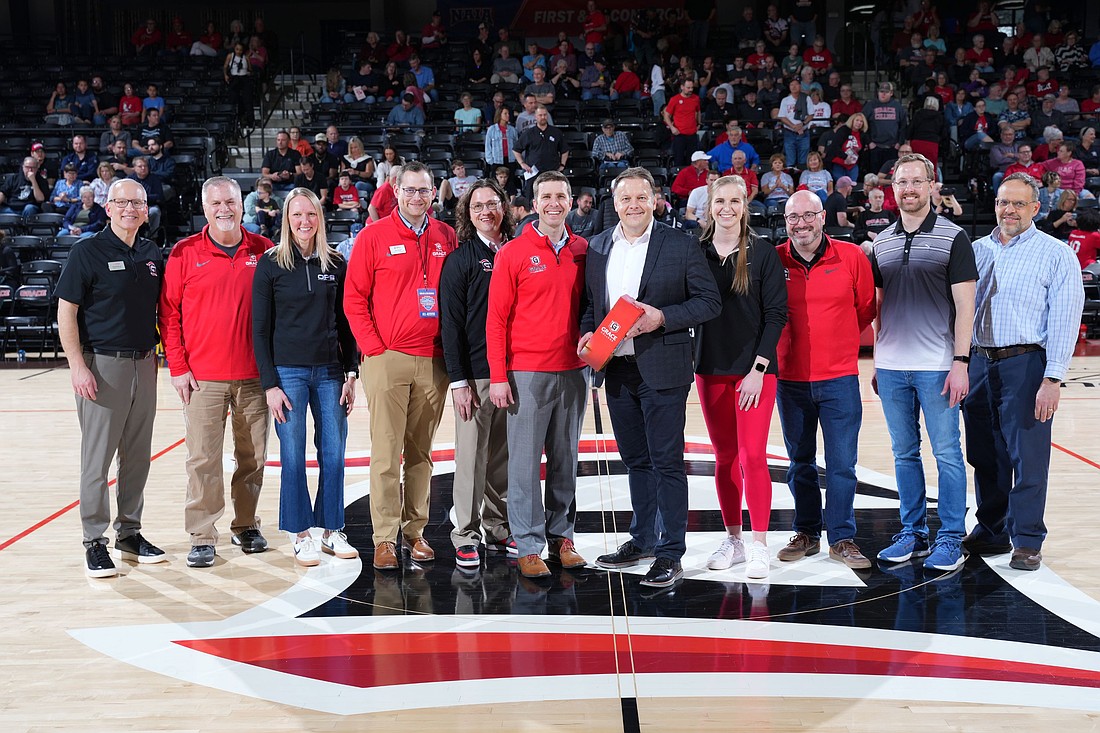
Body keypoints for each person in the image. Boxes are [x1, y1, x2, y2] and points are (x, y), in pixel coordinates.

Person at [583, 167, 721, 587]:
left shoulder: (680, 244)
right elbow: (592, 305)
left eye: (642, 197)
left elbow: (709, 302)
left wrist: (663, 318)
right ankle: (641, 538)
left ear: (656, 200)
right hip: (618, 369)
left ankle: (670, 552)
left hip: (664, 368)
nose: (634, 205)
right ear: (614, 202)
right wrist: (587, 333)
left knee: (666, 462)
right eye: (626, 199)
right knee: (636, 461)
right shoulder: (597, 247)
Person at [963, 172, 1085, 571]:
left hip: (1026, 363)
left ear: (1036, 208)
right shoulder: (976, 250)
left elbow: (1065, 319)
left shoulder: (1056, 253)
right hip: (979, 361)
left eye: (1017, 203)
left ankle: (1028, 538)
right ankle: (993, 529)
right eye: (1002, 202)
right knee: (984, 454)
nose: (1008, 210)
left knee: (1027, 457)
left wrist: (1053, 379)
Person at [343, 162, 458, 571]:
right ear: (395, 190)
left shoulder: (447, 236)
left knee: (422, 454)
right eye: (408, 190)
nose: (416, 197)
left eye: (423, 190)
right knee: (386, 453)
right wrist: (375, 349)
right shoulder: (373, 236)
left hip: (434, 361)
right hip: (387, 359)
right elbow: (354, 299)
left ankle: (416, 532)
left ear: (433, 193)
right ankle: (384, 538)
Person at [159, 176, 273, 569]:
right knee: (203, 459)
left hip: (256, 376)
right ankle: (203, 534)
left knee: (253, 457)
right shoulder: (184, 252)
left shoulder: (265, 250)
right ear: (204, 208)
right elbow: (169, 314)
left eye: (231, 202)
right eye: (216, 204)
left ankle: (245, 525)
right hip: (202, 377)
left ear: (243, 205)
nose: (224, 209)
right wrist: (177, 366)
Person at [872, 154, 977, 572]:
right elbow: (880, 306)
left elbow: (966, 307)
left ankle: (951, 537)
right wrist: (880, 360)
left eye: (917, 181)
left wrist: (961, 362)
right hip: (893, 366)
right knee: (903, 453)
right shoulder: (880, 242)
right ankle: (912, 533)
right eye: (902, 182)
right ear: (892, 188)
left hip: (938, 365)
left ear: (932, 186)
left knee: (948, 453)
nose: (909, 189)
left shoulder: (954, 238)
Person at [55, 178, 165, 578]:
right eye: (121, 202)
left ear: (145, 207)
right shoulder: (87, 251)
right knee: (97, 459)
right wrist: (77, 365)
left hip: (144, 364)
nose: (129, 209)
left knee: (137, 457)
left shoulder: (152, 253)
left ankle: (129, 533)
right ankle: (94, 541)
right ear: (108, 207)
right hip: (102, 365)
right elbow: (66, 312)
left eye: (137, 202)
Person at [485, 171, 588, 579]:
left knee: (566, 460)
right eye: (546, 196)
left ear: (571, 200)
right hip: (525, 372)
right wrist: (497, 375)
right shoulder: (512, 252)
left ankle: (563, 536)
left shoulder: (583, 249)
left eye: (561, 195)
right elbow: (496, 320)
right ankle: (528, 545)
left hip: (574, 372)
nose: (554, 203)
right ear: (533, 202)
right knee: (525, 464)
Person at [251, 188, 359, 567]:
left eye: (310, 214)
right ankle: (300, 534)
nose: (304, 222)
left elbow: (346, 325)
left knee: (333, 453)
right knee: (293, 456)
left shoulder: (337, 263)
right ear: (287, 220)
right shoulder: (270, 264)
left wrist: (351, 372)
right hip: (288, 374)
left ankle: (331, 530)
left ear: (319, 218)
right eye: (296, 215)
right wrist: (270, 385)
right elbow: (259, 331)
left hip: (331, 372)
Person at [773, 190, 875, 569]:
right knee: (800, 462)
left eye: (808, 215)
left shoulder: (851, 257)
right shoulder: (775, 259)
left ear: (822, 216)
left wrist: (839, 343)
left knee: (842, 463)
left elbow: (865, 309)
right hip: (791, 379)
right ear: (786, 222)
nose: (801, 223)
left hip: (840, 380)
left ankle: (842, 537)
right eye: (793, 217)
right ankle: (806, 532)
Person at [693, 175, 788, 580]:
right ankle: (733, 539)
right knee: (725, 457)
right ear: (709, 206)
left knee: (752, 456)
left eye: (735, 201)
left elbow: (776, 315)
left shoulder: (763, 253)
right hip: (710, 370)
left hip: (755, 373)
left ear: (745, 205)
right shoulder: (694, 252)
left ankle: (760, 544)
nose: (727, 208)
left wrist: (758, 369)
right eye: (720, 201)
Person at [440, 180, 518, 569]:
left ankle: (500, 526)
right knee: (471, 456)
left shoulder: (517, 253)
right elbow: (450, 326)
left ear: (504, 207)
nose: (485, 211)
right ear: (467, 215)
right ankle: (466, 533)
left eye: (492, 203)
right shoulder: (461, 260)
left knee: (500, 457)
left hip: (513, 372)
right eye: (477, 207)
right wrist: (459, 382)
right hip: (476, 375)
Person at [514, 105, 568, 200]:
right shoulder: (529, 133)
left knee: (551, 197)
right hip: (533, 173)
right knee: (532, 199)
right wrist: (522, 164)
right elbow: (516, 149)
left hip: (552, 172)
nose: (543, 117)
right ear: (535, 117)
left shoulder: (556, 132)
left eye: (545, 115)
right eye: (540, 115)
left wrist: (562, 165)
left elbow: (565, 150)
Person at [862, 82, 909, 180]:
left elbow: (903, 126)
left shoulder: (898, 107)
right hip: (875, 146)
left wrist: (899, 143)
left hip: (892, 147)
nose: (883, 94)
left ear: (891, 93)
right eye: (881, 91)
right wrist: (869, 142)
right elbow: (863, 126)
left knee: (891, 175)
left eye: (886, 92)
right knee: (874, 176)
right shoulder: (870, 106)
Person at [663, 79, 702, 166]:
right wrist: (672, 128)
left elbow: (698, 111)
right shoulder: (675, 99)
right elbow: (666, 115)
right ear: (682, 87)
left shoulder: (696, 98)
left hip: (692, 135)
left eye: (692, 87)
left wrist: (699, 123)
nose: (691, 89)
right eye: (688, 88)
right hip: (679, 135)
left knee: (692, 161)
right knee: (679, 160)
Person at [0, 157, 48, 222]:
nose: (30, 170)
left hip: (29, 209)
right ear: (23, 167)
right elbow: (3, 193)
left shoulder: (41, 181)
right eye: (27, 167)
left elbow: (40, 199)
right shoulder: (14, 179)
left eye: (33, 167)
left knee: (29, 208)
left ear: (37, 168)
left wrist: (33, 181)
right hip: (12, 209)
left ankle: (25, 229)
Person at [777, 79, 812, 167]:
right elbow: (782, 117)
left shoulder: (806, 98)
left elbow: (811, 115)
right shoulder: (785, 100)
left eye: (796, 84)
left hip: (804, 132)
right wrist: (793, 126)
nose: (794, 87)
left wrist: (802, 125)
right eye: (791, 85)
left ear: (800, 86)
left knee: (803, 160)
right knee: (790, 160)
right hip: (789, 132)